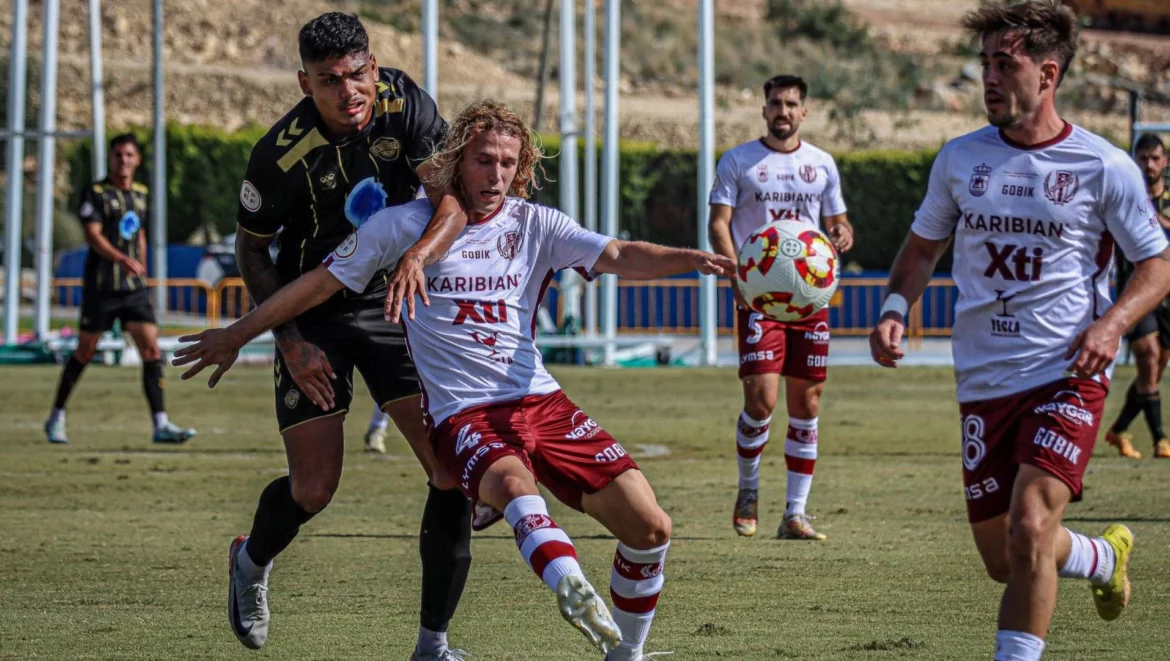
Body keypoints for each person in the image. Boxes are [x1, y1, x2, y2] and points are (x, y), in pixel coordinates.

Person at [174, 99, 736, 661]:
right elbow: (320, 283)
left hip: (542, 404)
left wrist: (692, 258)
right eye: (483, 161)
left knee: (651, 527)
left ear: (523, 168)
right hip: (463, 415)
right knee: (515, 491)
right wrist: (241, 332)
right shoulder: (401, 224)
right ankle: (565, 584)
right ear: (454, 162)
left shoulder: (535, 224)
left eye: (508, 163)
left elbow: (617, 253)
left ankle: (625, 654)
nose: (495, 175)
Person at [868, 3, 1170, 660]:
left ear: (1049, 73)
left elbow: (1158, 263)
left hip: (1068, 373)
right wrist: (894, 308)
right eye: (985, 65)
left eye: (1006, 64)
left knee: (1032, 521)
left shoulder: (1103, 166)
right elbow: (921, 251)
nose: (990, 79)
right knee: (1006, 555)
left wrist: (1112, 323)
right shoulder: (959, 160)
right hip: (983, 378)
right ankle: (1098, 555)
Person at [225, 13, 474, 660]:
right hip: (315, 313)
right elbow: (252, 253)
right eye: (331, 80)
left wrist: (419, 257)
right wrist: (289, 342)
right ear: (304, 82)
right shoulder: (279, 154)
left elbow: (452, 202)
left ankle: (432, 645)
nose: (350, 91)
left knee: (451, 472)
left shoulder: (407, 102)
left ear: (373, 64)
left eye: (358, 73)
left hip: (397, 303)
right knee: (314, 488)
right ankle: (250, 561)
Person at [708, 74, 854, 540]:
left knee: (807, 401)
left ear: (804, 111)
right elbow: (719, 223)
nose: (783, 111)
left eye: (791, 104)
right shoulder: (739, 161)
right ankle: (748, 490)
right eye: (776, 103)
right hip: (760, 296)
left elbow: (837, 222)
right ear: (765, 109)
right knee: (761, 398)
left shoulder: (822, 164)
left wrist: (844, 233)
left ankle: (795, 513)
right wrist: (736, 275)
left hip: (810, 298)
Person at [43, 133, 195, 445]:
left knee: (151, 350)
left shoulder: (140, 194)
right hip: (102, 288)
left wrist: (143, 272)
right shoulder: (96, 193)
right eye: (118, 155)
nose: (123, 160)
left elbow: (138, 234)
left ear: (137, 160)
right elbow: (92, 235)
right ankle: (56, 417)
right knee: (85, 351)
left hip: (133, 289)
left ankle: (161, 424)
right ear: (111, 159)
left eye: (129, 155)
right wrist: (121, 259)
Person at [1103, 132, 1170, 459]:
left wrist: (1155, 217)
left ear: (1165, 162)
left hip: (1168, 292)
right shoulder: (1125, 195)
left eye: (1155, 158)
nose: (1149, 165)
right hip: (1137, 290)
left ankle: (1118, 430)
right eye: (1143, 158)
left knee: (1154, 372)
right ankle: (1161, 439)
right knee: (1147, 357)